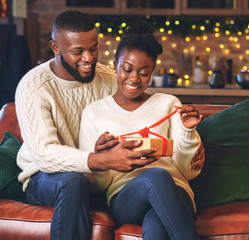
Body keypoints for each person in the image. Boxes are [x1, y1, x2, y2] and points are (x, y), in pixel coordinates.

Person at [14, 10, 205, 240]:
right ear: (55, 47)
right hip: (45, 173)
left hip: (96, 172)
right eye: (78, 51)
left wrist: (189, 139)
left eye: (93, 48)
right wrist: (102, 159)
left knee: (154, 216)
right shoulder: (34, 87)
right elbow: (45, 154)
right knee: (73, 181)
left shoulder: (108, 76)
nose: (88, 58)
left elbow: (139, 97)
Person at [79, 21, 202, 240]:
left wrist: (187, 132)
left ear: (153, 71)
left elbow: (189, 171)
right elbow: (95, 188)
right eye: (127, 70)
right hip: (126, 198)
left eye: (144, 73)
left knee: (156, 223)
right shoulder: (94, 112)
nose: (134, 79)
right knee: (155, 175)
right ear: (115, 64)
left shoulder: (169, 104)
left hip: (176, 192)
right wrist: (101, 158)